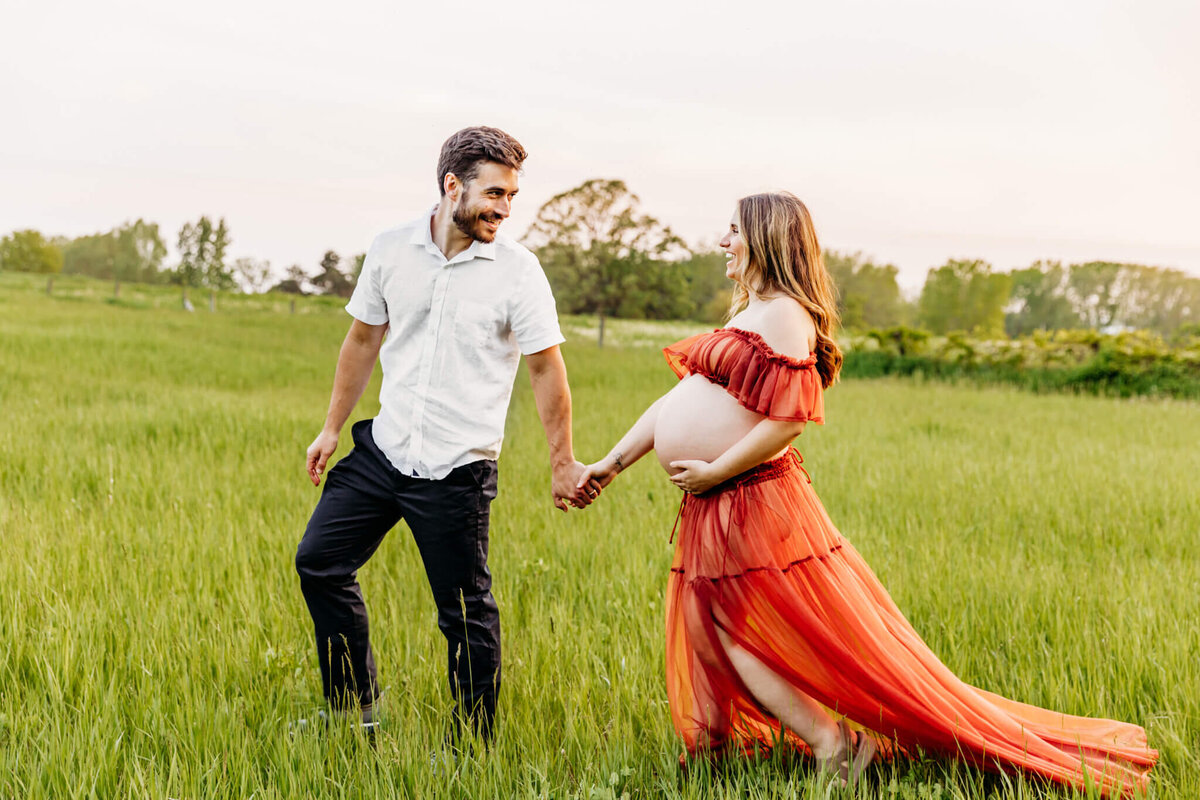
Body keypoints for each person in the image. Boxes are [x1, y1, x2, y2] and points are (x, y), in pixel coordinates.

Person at [577, 191, 1157, 794]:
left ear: (767, 237)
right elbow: (678, 401)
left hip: (747, 497)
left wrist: (717, 471)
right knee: (711, 630)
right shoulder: (752, 310)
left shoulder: (784, 315)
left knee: (736, 632)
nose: (723, 242)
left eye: (733, 231)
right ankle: (754, 751)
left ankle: (838, 746)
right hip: (716, 498)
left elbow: (789, 419)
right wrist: (610, 464)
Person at [295, 126, 598, 742]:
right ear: (451, 186)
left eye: (512, 196)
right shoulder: (389, 249)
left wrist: (562, 460)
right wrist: (331, 429)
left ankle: (469, 747)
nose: (505, 209)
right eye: (494, 193)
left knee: (464, 615)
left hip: (457, 470)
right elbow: (361, 340)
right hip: (385, 449)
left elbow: (546, 368)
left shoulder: (519, 272)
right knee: (320, 562)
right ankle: (355, 710)